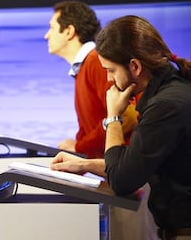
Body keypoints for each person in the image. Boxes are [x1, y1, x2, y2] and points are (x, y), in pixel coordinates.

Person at [50, 15, 191, 240]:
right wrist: (84, 164)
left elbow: (122, 180)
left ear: (134, 66)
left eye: (111, 70)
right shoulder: (169, 93)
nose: (109, 78)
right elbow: (131, 163)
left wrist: (113, 117)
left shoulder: (165, 105)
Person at [44, 1, 157, 239]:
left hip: (129, 175)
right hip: (113, 173)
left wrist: (80, 147)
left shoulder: (96, 61)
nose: (46, 35)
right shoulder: (86, 65)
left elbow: (127, 116)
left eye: (52, 27)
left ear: (69, 31)